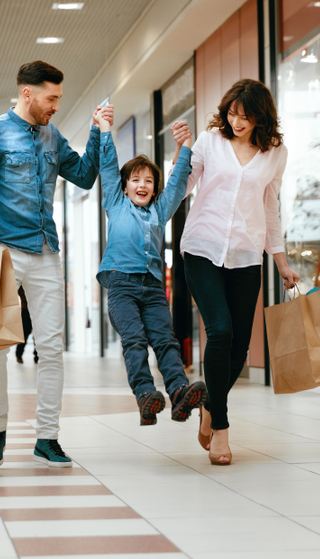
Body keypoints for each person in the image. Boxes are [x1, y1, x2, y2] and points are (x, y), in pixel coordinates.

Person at [0, 61, 113, 468]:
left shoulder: (53, 136)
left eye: (59, 98)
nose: (56, 105)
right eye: (51, 98)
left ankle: (47, 438)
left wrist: (96, 130)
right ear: (27, 93)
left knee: (52, 348)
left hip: (45, 252)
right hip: (1, 250)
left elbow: (86, 176)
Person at [181, 79, 299, 466]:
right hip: (201, 248)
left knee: (240, 350)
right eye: (232, 112)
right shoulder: (210, 140)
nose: (236, 121)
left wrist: (281, 261)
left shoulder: (275, 152)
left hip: (247, 254)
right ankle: (221, 429)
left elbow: (270, 208)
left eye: (245, 117)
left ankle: (209, 403)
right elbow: (183, 186)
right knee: (220, 331)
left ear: (260, 117)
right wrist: (180, 156)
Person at [96, 115, 208, 426]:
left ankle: (180, 393)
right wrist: (105, 128)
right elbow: (107, 167)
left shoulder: (160, 209)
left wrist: (184, 145)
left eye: (148, 180)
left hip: (154, 289)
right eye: (135, 179)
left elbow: (176, 183)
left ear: (154, 187)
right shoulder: (116, 204)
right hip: (121, 286)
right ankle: (146, 395)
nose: (142, 185)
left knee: (166, 341)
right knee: (134, 341)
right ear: (124, 186)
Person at [16, 286, 38, 364]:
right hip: (26, 311)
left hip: (37, 311)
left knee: (38, 334)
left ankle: (37, 357)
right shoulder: (22, 286)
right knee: (24, 334)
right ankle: (19, 354)